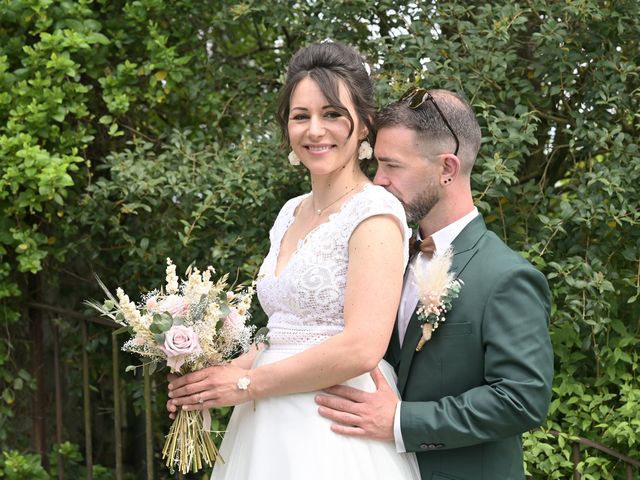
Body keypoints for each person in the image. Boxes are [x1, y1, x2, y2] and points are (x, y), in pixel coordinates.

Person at [166, 42, 420, 479]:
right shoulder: (291, 211)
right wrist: (213, 379)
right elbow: (286, 332)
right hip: (266, 424)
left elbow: (362, 346)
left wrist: (247, 385)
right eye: (300, 116)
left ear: (364, 125)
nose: (315, 130)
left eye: (332, 114)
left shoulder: (375, 213)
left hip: (332, 426)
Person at [315, 88, 554, 480]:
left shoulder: (507, 277)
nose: (379, 181)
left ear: (447, 168)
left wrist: (401, 421)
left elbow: (521, 399)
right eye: (377, 165)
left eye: (393, 166)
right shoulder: (383, 257)